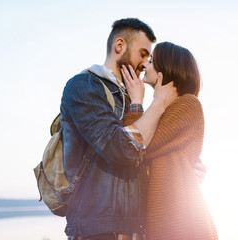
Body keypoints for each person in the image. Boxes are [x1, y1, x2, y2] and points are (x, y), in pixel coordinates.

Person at [60, 18, 178, 240]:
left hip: (134, 229)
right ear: (120, 46)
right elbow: (121, 148)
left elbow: (142, 159)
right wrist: (159, 103)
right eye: (143, 54)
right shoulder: (84, 86)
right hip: (97, 229)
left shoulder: (133, 96)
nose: (145, 63)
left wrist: (181, 169)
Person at [123, 42, 218, 240]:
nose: (145, 66)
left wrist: (136, 103)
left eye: (151, 61)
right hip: (166, 218)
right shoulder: (161, 109)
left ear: (165, 68)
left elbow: (136, 147)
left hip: (182, 222)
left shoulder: (188, 104)